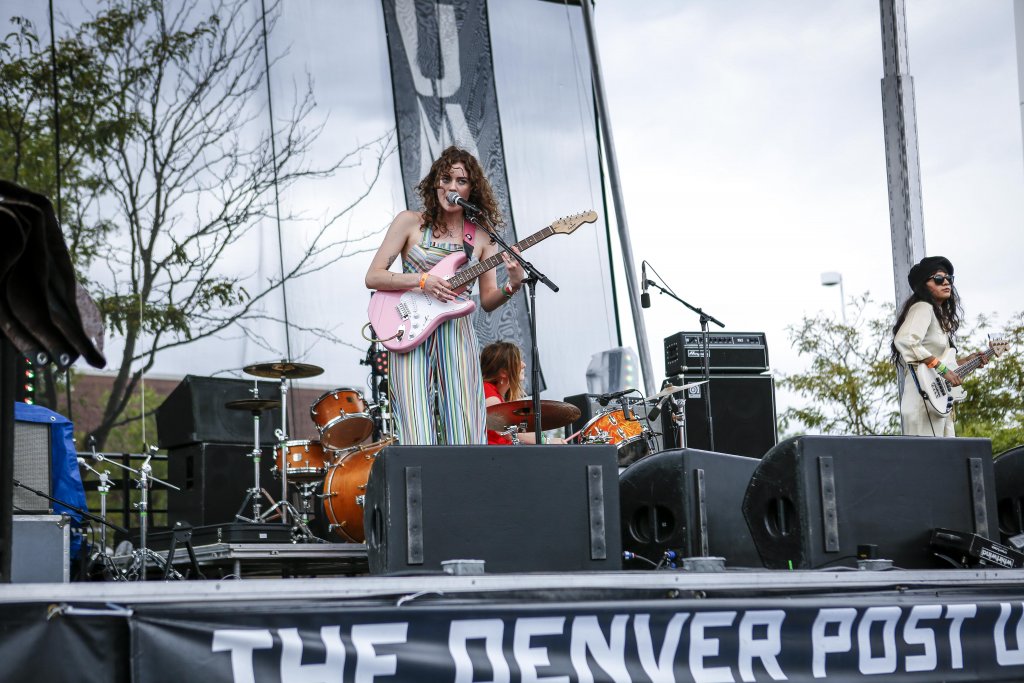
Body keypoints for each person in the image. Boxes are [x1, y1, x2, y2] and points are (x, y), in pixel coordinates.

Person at [365, 146, 525, 445]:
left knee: (465, 419)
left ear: (471, 189)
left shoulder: (481, 235)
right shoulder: (410, 222)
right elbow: (373, 276)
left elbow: (488, 299)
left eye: (460, 181)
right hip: (408, 326)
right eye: (446, 178)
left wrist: (513, 284)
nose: (452, 186)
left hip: (455, 330)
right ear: (435, 183)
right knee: (416, 425)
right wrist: (422, 281)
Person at [891, 256, 985, 436]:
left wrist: (968, 361)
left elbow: (943, 364)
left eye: (949, 279)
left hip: (940, 402)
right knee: (927, 461)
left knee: (946, 460)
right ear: (924, 285)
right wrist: (942, 368)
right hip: (923, 400)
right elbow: (905, 340)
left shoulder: (940, 318)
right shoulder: (922, 307)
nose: (946, 283)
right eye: (939, 279)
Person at [480, 341, 566, 445]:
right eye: (518, 361)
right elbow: (508, 430)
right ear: (503, 372)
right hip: (493, 459)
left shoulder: (496, 395)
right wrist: (547, 441)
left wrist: (545, 438)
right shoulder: (487, 391)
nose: (524, 365)